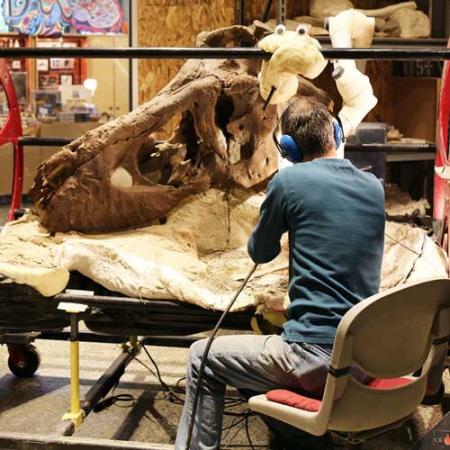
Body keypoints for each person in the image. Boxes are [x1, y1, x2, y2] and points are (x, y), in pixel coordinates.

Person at [174, 97, 386, 450]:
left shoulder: (290, 183)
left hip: (311, 358)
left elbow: (261, 251)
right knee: (248, 361)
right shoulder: (373, 187)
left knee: (203, 356)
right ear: (334, 132)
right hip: (362, 358)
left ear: (286, 148)